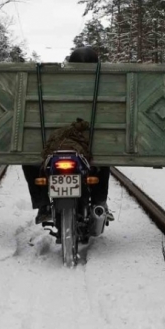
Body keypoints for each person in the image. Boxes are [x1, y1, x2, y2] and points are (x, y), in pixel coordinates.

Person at [23, 46, 112, 224]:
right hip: (86, 143)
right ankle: (99, 203)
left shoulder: (51, 83)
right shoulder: (105, 82)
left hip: (51, 144)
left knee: (29, 161)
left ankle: (42, 205)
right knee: (103, 161)